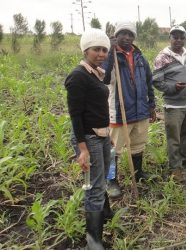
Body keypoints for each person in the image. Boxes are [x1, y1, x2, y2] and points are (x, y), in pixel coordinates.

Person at [65, 28, 112, 250]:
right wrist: (82, 149)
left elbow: (99, 107)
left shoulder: (96, 72)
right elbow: (75, 115)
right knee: (94, 185)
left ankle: (104, 213)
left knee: (101, 179)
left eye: (104, 49)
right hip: (88, 138)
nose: (101, 54)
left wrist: (108, 134)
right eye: (96, 49)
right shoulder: (78, 76)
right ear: (86, 50)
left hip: (101, 134)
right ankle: (93, 240)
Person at [102, 21, 156, 198]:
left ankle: (138, 173)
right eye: (122, 33)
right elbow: (104, 78)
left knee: (138, 144)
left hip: (140, 110)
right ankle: (111, 181)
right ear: (116, 36)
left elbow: (149, 82)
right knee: (113, 150)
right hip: (120, 110)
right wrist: (110, 52)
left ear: (134, 37)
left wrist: (151, 106)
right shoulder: (110, 56)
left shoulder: (140, 57)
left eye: (130, 34)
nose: (126, 37)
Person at [152, 25, 186, 180]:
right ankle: (175, 167)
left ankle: (185, 159)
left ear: (184, 39)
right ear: (170, 39)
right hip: (173, 105)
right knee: (174, 138)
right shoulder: (162, 57)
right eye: (175, 37)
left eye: (181, 37)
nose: (178, 40)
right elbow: (156, 81)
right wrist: (173, 87)